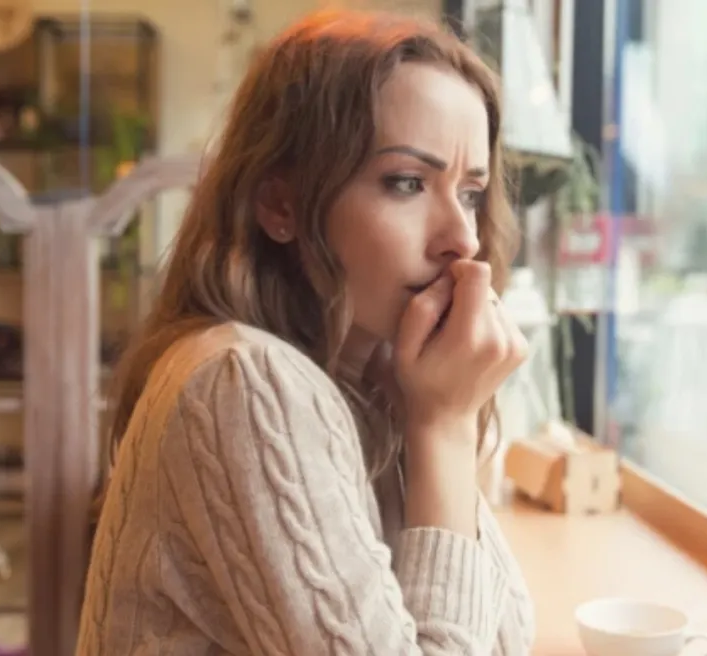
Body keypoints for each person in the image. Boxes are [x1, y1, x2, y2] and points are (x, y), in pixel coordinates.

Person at [76, 9, 536, 656]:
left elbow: (507, 637)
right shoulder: (243, 379)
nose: (462, 238)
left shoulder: (375, 381)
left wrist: (427, 419)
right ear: (281, 205)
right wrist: (445, 429)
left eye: (469, 193)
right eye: (407, 183)